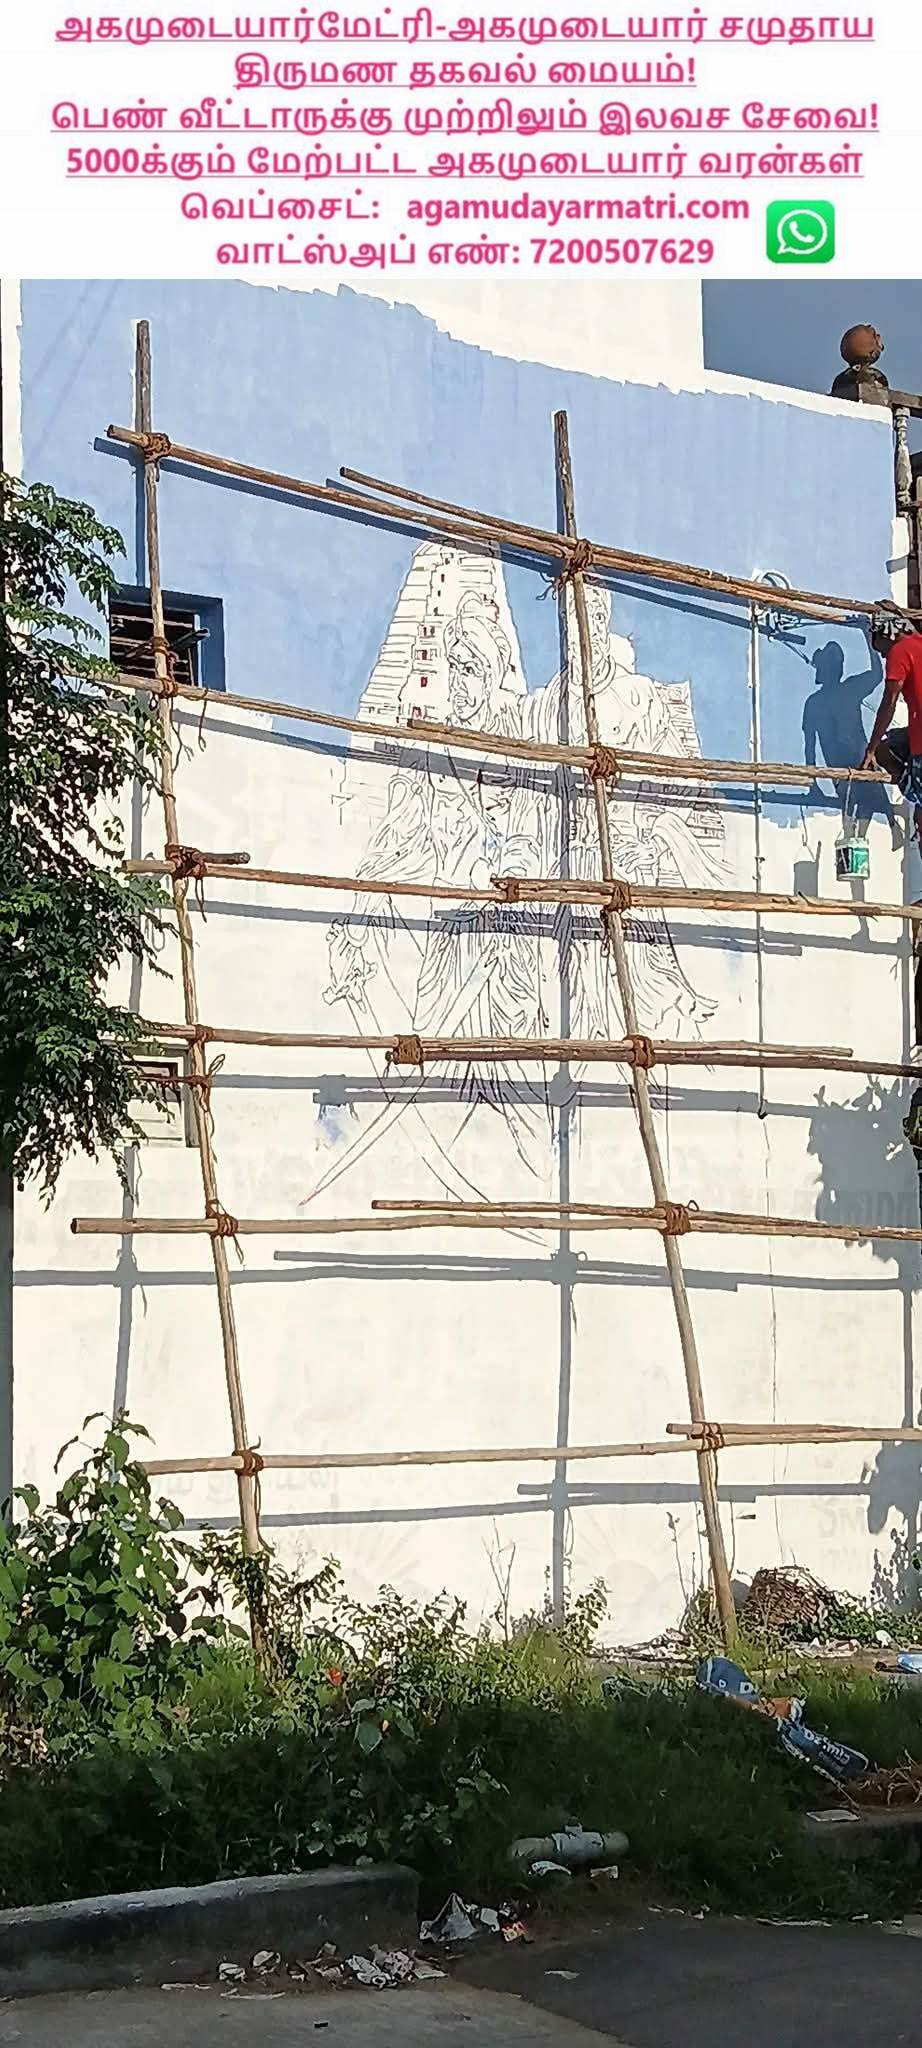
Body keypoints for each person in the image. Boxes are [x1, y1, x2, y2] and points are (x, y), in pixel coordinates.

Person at [860, 607, 922, 847]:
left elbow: (889, 703)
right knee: (893, 743)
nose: (885, 657)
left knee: (883, 752)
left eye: (881, 650)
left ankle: (916, 796)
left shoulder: (900, 650)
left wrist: (870, 749)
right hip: (914, 736)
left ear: (887, 633)